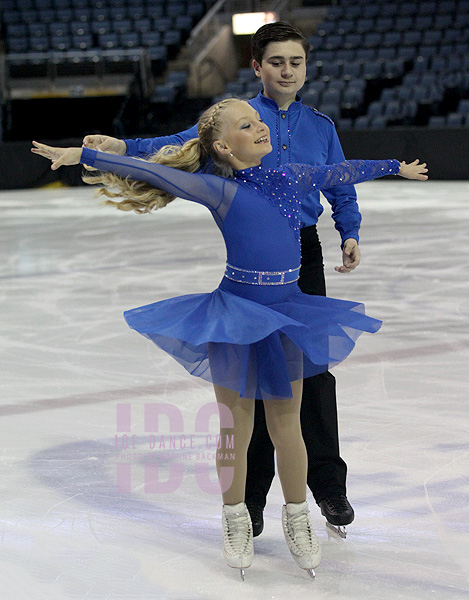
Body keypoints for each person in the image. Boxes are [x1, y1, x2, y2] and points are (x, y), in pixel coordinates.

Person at [31, 99, 427, 580]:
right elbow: (157, 174)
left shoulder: (292, 176)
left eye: (258, 121)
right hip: (236, 318)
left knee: (288, 428)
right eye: (247, 125)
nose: (261, 127)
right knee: (234, 433)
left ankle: (297, 517)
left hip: (286, 314)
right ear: (222, 146)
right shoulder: (219, 190)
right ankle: (234, 518)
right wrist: (84, 157)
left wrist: (394, 167)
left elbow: (342, 172)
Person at [79, 22, 368, 538]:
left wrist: (349, 230)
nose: (286, 70)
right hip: (254, 266)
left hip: (304, 253)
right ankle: (251, 499)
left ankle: (328, 487)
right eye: (276, 62)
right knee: (253, 384)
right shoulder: (239, 118)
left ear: (305, 68)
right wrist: (123, 144)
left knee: (312, 377)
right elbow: (178, 147)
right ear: (257, 67)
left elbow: (339, 179)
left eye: (295, 62)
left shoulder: (320, 126)